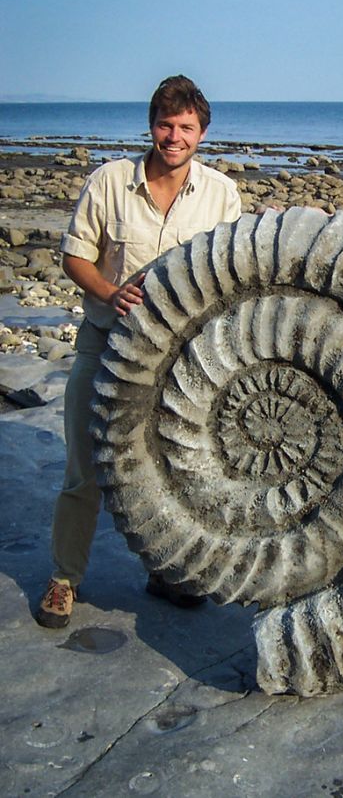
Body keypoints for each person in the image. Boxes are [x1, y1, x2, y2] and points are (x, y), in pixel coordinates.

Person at [36, 75, 242, 628]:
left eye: (186, 127)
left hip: (179, 361)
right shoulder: (109, 182)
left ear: (202, 133)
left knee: (169, 471)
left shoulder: (221, 194)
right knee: (85, 467)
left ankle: (166, 572)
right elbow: (74, 256)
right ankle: (64, 579)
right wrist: (109, 292)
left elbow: (230, 272)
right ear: (151, 126)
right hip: (104, 343)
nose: (175, 137)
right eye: (165, 125)